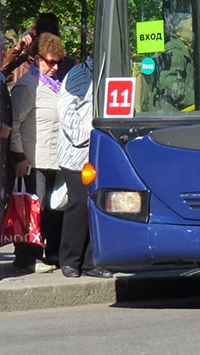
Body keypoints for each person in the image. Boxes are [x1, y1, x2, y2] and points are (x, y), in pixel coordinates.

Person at [9, 32, 67, 273]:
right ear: (35, 58)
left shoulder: (55, 86)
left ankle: (48, 252)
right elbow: (15, 124)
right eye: (49, 61)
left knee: (52, 209)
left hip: (53, 157)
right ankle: (27, 257)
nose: (54, 67)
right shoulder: (27, 86)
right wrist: (19, 157)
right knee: (33, 208)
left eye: (57, 62)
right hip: (33, 158)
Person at [56, 57, 113, 278]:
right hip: (77, 154)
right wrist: (83, 137)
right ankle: (70, 259)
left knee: (96, 205)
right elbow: (65, 109)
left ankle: (91, 261)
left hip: (100, 151)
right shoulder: (80, 73)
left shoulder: (109, 73)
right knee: (79, 203)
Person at [152, 14, 194, 110]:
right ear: (178, 31)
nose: (194, 29)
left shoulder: (183, 49)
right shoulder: (175, 52)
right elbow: (171, 85)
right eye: (192, 25)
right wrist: (196, 96)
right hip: (171, 113)